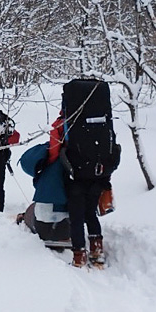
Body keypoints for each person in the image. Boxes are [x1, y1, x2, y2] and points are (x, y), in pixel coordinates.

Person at [50, 110, 114, 268]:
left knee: (76, 218)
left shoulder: (64, 123)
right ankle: (96, 251)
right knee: (91, 213)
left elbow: (54, 149)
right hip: (97, 176)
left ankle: (79, 256)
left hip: (75, 177)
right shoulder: (101, 120)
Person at [17, 141, 70, 247]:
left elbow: (27, 162)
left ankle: (23, 217)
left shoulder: (49, 158)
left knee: (34, 208)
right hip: (69, 228)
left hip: (43, 227)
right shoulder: (80, 161)